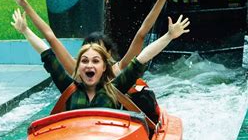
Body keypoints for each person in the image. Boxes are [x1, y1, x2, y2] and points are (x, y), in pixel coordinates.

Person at [11, 8, 190, 111]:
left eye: (95, 61)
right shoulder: (69, 88)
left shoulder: (115, 87)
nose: (89, 65)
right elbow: (47, 54)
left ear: (105, 66)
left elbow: (142, 57)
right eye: (85, 61)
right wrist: (25, 30)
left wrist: (169, 36)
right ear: (79, 66)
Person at [13, 0, 175, 75]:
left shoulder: (117, 72)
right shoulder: (77, 71)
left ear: (107, 58)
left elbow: (141, 34)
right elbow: (50, 38)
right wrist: (24, 6)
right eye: (86, 57)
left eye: (97, 56)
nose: (90, 60)